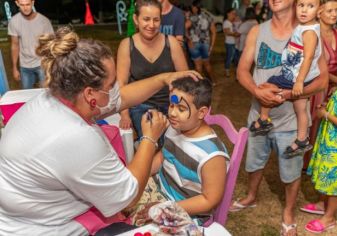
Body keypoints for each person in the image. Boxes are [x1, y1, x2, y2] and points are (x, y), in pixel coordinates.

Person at [0, 27, 200, 235]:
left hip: (27, 211)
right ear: (89, 94)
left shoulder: (56, 98)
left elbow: (120, 98)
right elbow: (128, 196)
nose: (115, 89)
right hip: (39, 229)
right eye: (111, 84)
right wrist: (149, 138)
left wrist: (164, 78)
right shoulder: (75, 137)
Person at [232, 0, 328, 235]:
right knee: (254, 161)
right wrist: (257, 91)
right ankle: (251, 196)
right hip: (259, 114)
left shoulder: (308, 32)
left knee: (291, 171)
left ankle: (288, 212)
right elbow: (242, 70)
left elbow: (323, 80)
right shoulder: (257, 30)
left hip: (291, 121)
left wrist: (289, 94)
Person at [132, 77, 229, 225]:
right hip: (159, 190)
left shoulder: (211, 156)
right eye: (171, 105)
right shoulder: (176, 127)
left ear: (202, 112)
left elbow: (209, 200)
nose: (172, 113)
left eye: (181, 109)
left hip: (185, 211)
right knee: (120, 201)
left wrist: (164, 208)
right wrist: (138, 176)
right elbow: (164, 156)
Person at [249, 0, 322, 157]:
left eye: (310, 6)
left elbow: (308, 57)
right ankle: (302, 139)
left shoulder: (309, 32)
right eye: (301, 5)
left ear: (319, 10)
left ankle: (263, 119)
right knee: (300, 108)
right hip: (299, 74)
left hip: (296, 76)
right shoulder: (305, 27)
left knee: (269, 84)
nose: (304, 10)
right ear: (296, 6)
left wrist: (299, 81)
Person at [117, 0, 188, 145]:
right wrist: (124, 114)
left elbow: (185, 79)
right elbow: (121, 84)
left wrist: (181, 106)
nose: (151, 25)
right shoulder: (126, 45)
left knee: (176, 139)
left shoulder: (171, 42)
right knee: (157, 139)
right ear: (136, 19)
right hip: (140, 105)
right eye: (146, 19)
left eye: (156, 20)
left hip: (171, 104)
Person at [305, 37, 337, 234]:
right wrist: (328, 107)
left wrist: (326, 115)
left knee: (335, 181)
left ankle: (329, 217)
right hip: (331, 140)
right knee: (327, 175)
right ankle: (323, 204)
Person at [302, 0, 337, 169]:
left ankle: (323, 162)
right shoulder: (312, 34)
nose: (334, 14)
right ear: (319, 12)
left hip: (336, 87)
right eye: (329, 11)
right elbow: (313, 66)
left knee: (331, 125)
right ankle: (306, 163)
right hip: (317, 85)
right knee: (312, 124)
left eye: (336, 10)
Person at [8, 0, 53, 89]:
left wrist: (51, 66)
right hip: (25, 66)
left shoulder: (44, 21)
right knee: (26, 95)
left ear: (33, 2)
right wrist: (14, 67)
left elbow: (51, 44)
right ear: (17, 3)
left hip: (41, 63)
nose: (25, 8)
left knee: (46, 93)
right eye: (22, 5)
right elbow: (15, 45)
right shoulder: (14, 21)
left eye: (28, 4)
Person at [186, 0, 217, 84]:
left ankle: (199, 84)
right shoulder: (208, 16)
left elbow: (183, 28)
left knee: (198, 66)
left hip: (194, 44)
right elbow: (214, 32)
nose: (192, 9)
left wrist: (189, 39)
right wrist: (211, 46)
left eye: (193, 7)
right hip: (205, 44)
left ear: (196, 7)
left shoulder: (192, 17)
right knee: (207, 65)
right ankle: (213, 81)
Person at [234, 7, 258, 71]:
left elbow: (237, 34)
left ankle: (240, 77)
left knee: (241, 63)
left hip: (243, 46)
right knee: (250, 63)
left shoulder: (245, 24)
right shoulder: (256, 22)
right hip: (253, 46)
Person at [223, 8, 239, 77]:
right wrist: (236, 34)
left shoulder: (231, 22)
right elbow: (227, 32)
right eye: (233, 13)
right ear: (228, 14)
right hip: (229, 43)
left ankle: (235, 71)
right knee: (230, 57)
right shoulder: (226, 22)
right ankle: (227, 71)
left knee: (235, 57)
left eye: (235, 13)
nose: (234, 15)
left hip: (233, 43)